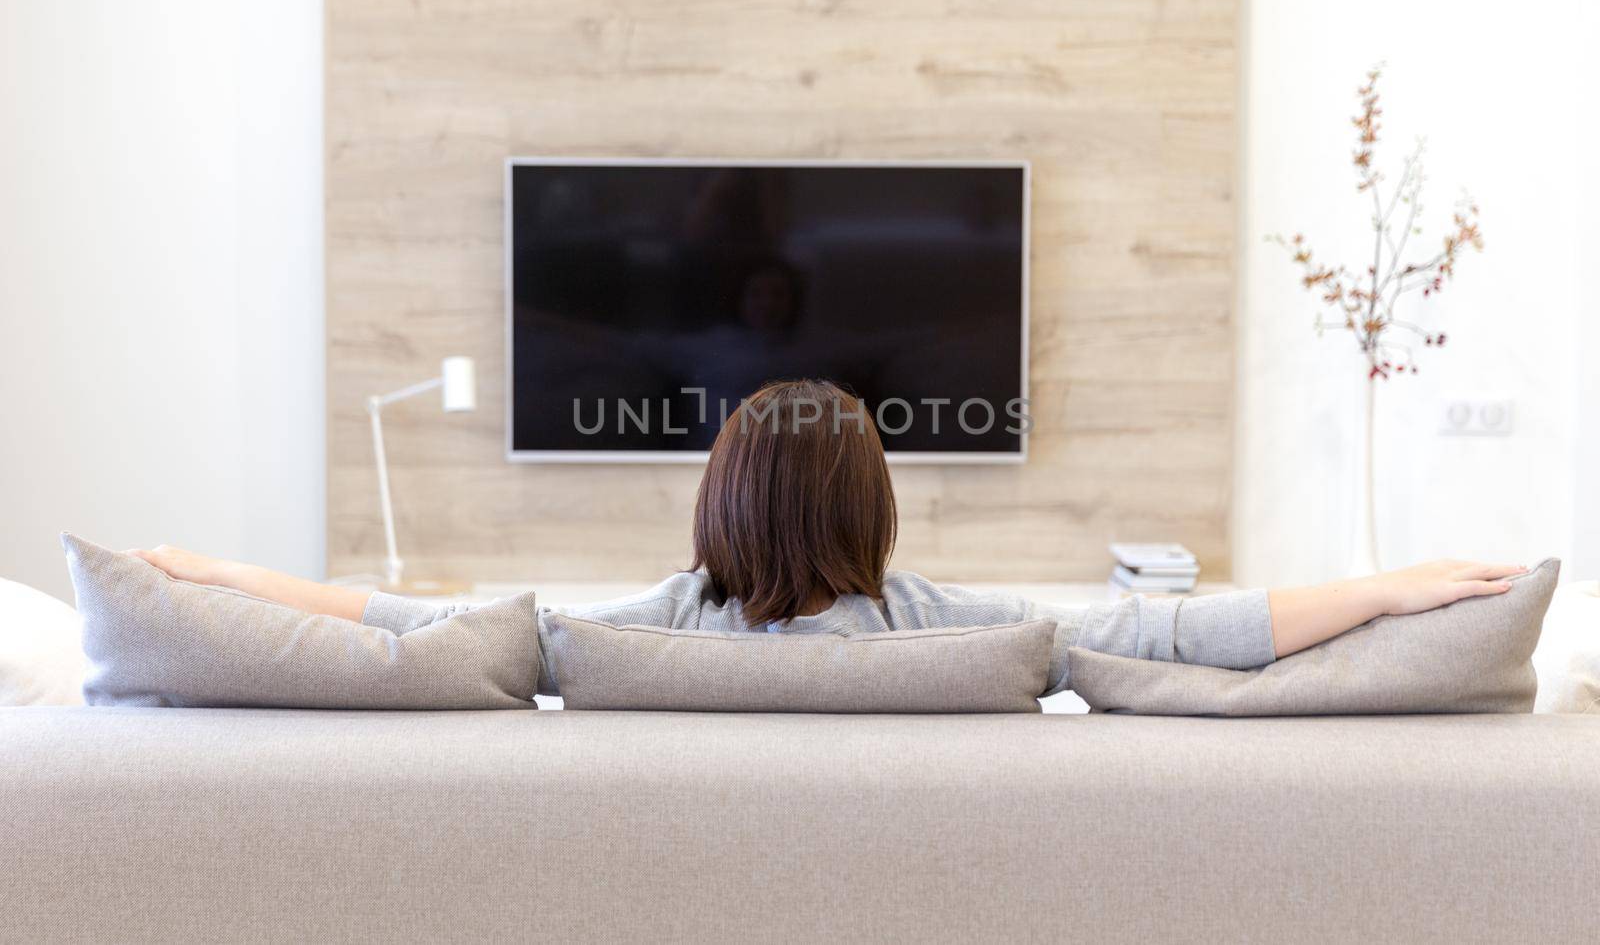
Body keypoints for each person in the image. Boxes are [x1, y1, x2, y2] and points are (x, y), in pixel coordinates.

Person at [131, 379, 1527, 699]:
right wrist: (1394, 586)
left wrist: (215, 578)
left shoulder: (606, 638)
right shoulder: (990, 635)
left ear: (718, 499)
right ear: (875, 507)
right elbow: (1189, 631)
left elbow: (396, 622)